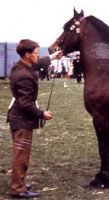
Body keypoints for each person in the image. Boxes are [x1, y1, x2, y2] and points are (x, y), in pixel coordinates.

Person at [7, 39, 62, 198]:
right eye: (36, 53)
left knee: (21, 153)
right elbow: (26, 104)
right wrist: (42, 114)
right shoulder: (24, 76)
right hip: (22, 120)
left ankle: (20, 182)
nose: (38, 56)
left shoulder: (20, 66)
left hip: (16, 117)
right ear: (27, 54)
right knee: (21, 155)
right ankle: (18, 188)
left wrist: (54, 57)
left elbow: (37, 64)